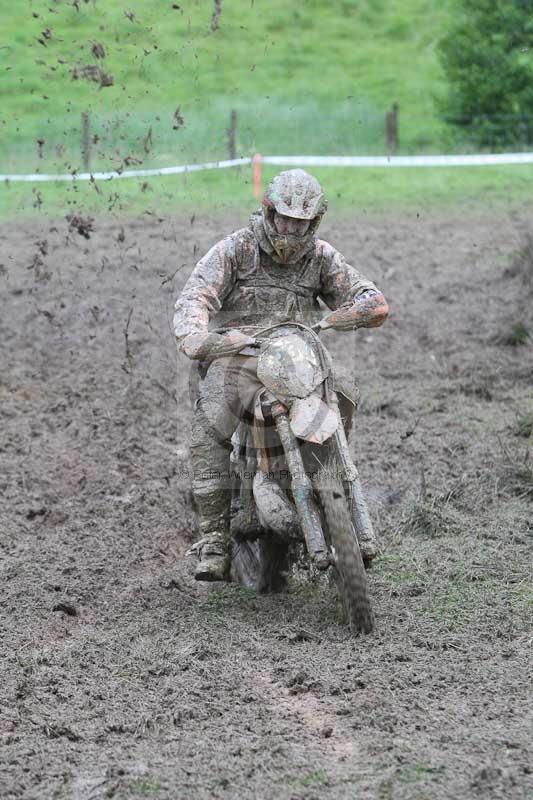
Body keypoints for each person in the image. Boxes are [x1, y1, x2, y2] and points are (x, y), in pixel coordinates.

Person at [174, 169, 388, 581]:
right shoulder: (236, 250)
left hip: (302, 356)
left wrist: (358, 311)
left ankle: (328, 472)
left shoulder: (321, 257)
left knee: (343, 387)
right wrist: (197, 334)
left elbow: (370, 298)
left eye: (301, 222)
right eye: (285, 219)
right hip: (240, 356)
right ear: (269, 213)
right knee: (208, 426)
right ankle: (215, 539)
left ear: (315, 222)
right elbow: (195, 295)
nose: (291, 230)